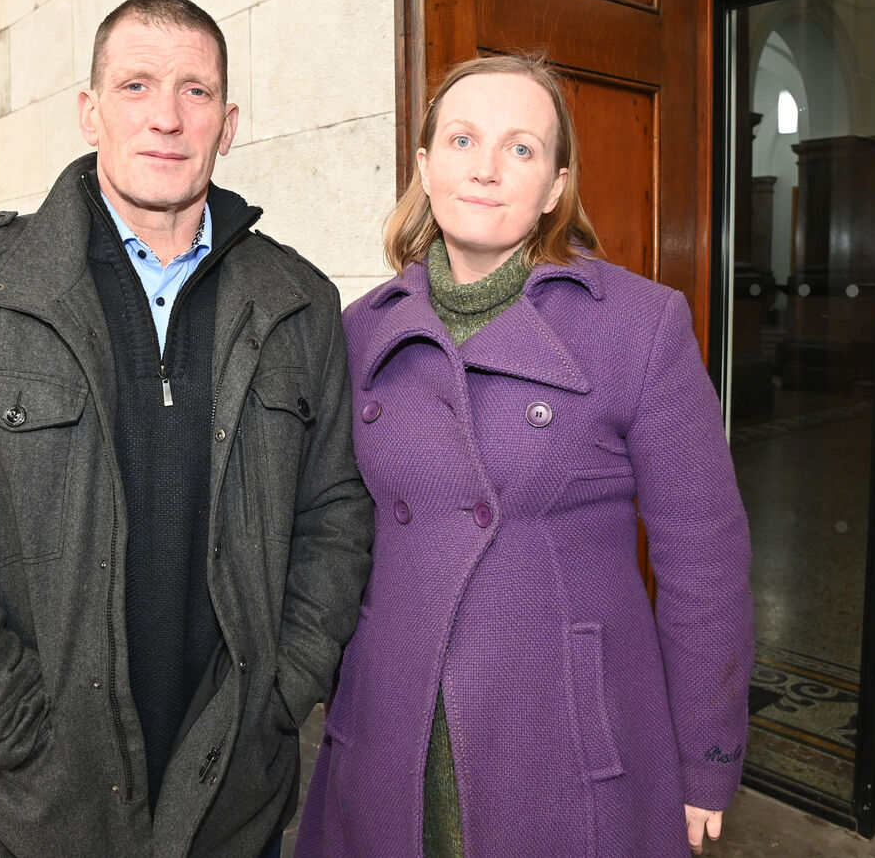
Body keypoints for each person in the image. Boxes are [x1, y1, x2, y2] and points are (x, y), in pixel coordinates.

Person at [0, 0, 372, 858]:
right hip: (44, 803)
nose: (166, 116)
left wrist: (281, 686)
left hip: (235, 792)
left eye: (196, 92)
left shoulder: (298, 303)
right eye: (136, 85)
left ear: (228, 125)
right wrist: (13, 726)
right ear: (90, 112)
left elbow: (336, 515)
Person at [295, 52, 753, 857]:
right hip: (390, 724)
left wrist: (704, 757)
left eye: (521, 148)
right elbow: (336, 531)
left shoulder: (639, 326)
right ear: (426, 166)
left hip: (565, 737)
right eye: (465, 140)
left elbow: (704, 556)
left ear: (554, 186)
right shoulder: (360, 328)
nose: (487, 169)